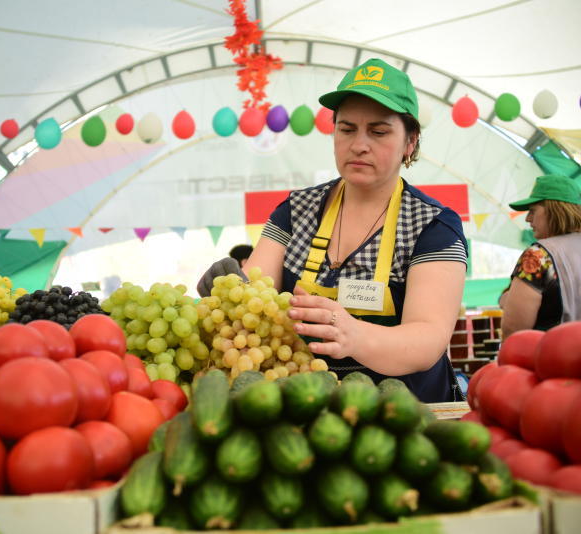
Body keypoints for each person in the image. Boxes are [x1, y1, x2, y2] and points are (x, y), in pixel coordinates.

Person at [197, 58, 468, 402]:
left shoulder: (432, 225)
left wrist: (354, 336)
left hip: (405, 417)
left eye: (379, 131)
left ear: (410, 142)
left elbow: (428, 339)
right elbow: (253, 292)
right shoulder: (296, 211)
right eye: (347, 129)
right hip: (308, 410)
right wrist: (228, 287)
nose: (359, 144)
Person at [500, 174, 581, 338]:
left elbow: (514, 330)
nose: (527, 218)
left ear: (554, 210)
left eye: (533, 211)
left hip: (556, 358)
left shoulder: (538, 256)